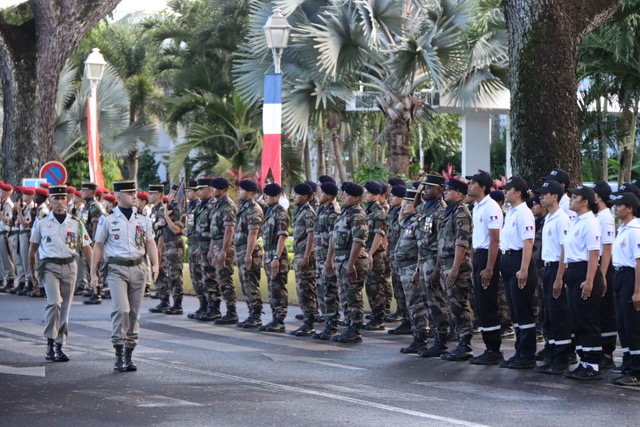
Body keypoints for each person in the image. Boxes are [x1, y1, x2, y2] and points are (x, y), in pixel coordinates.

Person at [91, 180, 159, 372]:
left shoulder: (143, 218)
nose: (134, 196)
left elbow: (150, 242)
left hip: (138, 267)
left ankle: (129, 353)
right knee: (122, 309)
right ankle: (119, 352)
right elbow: (98, 246)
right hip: (116, 268)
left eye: (134, 193)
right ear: (119, 196)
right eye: (130, 194)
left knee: (134, 312)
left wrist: (155, 264)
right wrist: (93, 272)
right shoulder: (108, 219)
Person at [28, 185, 93, 362]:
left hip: (70, 267)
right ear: (49, 201)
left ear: (67, 200)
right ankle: (50, 342)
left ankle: (59, 345)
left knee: (65, 308)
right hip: (49, 267)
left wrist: (94, 273)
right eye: (55, 198)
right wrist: (32, 275)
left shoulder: (76, 223)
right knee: (54, 303)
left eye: (62, 198)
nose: (59, 202)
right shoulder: (42, 223)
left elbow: (86, 248)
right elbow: (32, 249)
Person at [562, 185, 605, 380]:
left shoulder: (590, 222)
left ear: (585, 201)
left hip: (585, 272)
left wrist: (589, 281)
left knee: (587, 318)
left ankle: (593, 364)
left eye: (575, 196)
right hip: (574, 271)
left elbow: (593, 253)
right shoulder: (577, 221)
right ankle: (584, 361)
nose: (571, 199)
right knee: (577, 318)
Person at [498, 176, 538, 369]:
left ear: (518, 192)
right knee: (514, 310)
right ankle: (519, 350)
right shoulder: (511, 212)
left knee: (523, 310)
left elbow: (528, 242)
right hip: (508, 259)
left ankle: (527, 354)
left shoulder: (524, 213)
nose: (504, 192)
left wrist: (523, 269)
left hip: (519, 260)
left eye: (508, 189)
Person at [465, 170, 505, 365]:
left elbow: (495, 240)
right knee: (480, 304)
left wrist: (489, 268)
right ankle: (489, 348)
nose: (469, 186)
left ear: (482, 187)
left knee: (488, 303)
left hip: (489, 256)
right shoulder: (478, 206)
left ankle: (494, 350)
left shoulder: (491, 207)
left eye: (473, 183)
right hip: (479, 255)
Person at [534, 181, 572, 375]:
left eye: (544, 194)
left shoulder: (562, 219)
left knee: (559, 315)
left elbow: (565, 249)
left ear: (555, 196)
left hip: (558, 268)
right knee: (549, 314)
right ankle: (552, 354)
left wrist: (559, 277)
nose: (540, 197)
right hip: (547, 268)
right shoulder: (550, 217)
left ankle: (561, 358)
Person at [434, 177, 474, 362]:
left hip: (456, 266)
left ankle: (464, 344)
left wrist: (456, 268)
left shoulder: (460, 213)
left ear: (459, 193)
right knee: (451, 305)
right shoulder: (448, 212)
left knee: (458, 305)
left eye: (449, 189)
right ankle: (459, 341)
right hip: (446, 264)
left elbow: (461, 243)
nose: (445, 191)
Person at [326, 182, 370, 343]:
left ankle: (355, 329)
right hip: (341, 259)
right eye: (343, 194)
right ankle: (349, 325)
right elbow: (334, 237)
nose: (344, 196)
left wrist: (351, 263)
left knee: (353, 296)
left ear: (356, 198)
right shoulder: (345, 213)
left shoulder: (357, 215)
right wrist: (331, 259)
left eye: (347, 194)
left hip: (352, 260)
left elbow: (358, 241)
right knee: (344, 295)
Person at [415, 175, 449, 358]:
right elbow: (415, 206)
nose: (426, 190)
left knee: (436, 303)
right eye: (425, 187)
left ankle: (441, 340)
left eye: (429, 187)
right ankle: (436, 338)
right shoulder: (426, 208)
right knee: (428, 302)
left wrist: (437, 270)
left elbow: (442, 243)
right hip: (424, 261)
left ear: (440, 190)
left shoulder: (440, 211)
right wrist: (419, 191)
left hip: (434, 262)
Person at [610, 192, 640, 386]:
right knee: (622, 323)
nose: (615, 208)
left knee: (633, 325)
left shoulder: (636, 229)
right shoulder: (623, 228)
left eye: (619, 205)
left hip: (631, 276)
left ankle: (637, 370)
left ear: (629, 208)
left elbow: (639, 262)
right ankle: (628, 364)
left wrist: (637, 290)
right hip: (619, 275)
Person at [395, 189, 430, 354]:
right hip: (404, 268)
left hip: (411, 268)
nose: (404, 205)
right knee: (411, 304)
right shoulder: (408, 220)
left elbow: (421, 248)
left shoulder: (419, 221)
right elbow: (400, 221)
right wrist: (403, 209)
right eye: (404, 202)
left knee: (416, 304)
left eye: (408, 203)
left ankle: (421, 338)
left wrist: (417, 269)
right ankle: (418, 335)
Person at [592, 180, 617, 370]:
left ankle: (607, 353)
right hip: (598, 265)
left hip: (604, 266)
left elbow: (607, 249)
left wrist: (601, 275)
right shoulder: (598, 216)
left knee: (606, 311)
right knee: (599, 311)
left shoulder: (605, 217)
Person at [312, 181, 342, 340]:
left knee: (329, 292)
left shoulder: (333, 213)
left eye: (321, 192)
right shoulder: (322, 210)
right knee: (322, 291)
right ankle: (327, 324)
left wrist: (329, 259)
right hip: (320, 256)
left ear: (329, 195)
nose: (318, 194)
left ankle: (332, 326)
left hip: (327, 257)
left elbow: (333, 238)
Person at [260, 182, 290, 333]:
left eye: (270, 195)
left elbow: (282, 237)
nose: (267, 198)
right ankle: (274, 318)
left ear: (277, 196)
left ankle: (280, 320)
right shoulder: (269, 211)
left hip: (276, 255)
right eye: (266, 195)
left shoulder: (281, 213)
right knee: (272, 289)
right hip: (269, 253)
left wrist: (276, 258)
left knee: (278, 288)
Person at [289, 183, 318, 336]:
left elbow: (311, 236)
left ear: (305, 196)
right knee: (301, 290)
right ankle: (307, 320)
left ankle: (310, 322)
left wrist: (307, 256)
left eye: (297, 194)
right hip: (299, 254)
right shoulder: (300, 211)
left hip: (305, 256)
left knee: (306, 290)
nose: (294, 197)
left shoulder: (308, 213)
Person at [207, 177, 238, 324]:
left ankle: (231, 312)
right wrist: (212, 248)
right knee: (220, 279)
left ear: (223, 190)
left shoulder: (227, 206)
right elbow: (214, 230)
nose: (212, 190)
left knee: (225, 279)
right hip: (217, 245)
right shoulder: (217, 205)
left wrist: (224, 251)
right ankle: (222, 310)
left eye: (215, 188)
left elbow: (229, 230)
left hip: (225, 247)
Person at [234, 179, 264, 328]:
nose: (239, 192)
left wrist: (248, 254)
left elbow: (253, 233)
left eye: (242, 190)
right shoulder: (244, 207)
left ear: (250, 193)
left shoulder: (253, 209)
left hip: (249, 251)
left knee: (251, 284)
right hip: (241, 250)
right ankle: (251, 312)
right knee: (245, 284)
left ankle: (256, 315)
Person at [362, 181, 390, 331]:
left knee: (376, 287)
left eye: (368, 193)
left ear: (376, 195)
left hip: (376, 254)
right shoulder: (367, 210)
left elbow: (379, 235)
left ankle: (379, 318)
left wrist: (371, 254)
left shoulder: (379, 212)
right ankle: (375, 314)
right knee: (370, 286)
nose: (365, 195)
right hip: (368, 252)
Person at [192, 178, 221, 322]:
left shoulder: (212, 206)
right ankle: (205, 306)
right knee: (202, 278)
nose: (198, 191)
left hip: (209, 246)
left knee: (210, 278)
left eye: (201, 189)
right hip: (201, 245)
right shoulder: (200, 206)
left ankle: (214, 308)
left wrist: (211, 249)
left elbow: (214, 231)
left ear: (210, 189)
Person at [386, 184, 411, 335]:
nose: (391, 198)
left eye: (394, 196)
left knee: (406, 292)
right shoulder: (394, 212)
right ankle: (404, 318)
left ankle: (409, 321)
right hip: (395, 255)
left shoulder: (408, 215)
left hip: (405, 258)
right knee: (398, 289)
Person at [158, 190, 185, 315]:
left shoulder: (177, 211)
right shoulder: (167, 208)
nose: (169, 196)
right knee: (170, 276)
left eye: (172, 193)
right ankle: (171, 302)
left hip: (175, 246)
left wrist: (167, 218)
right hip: (167, 245)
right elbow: (160, 230)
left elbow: (176, 230)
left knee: (175, 276)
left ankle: (177, 304)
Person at [80, 182, 107, 304]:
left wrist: (94, 243)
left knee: (94, 266)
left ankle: (97, 293)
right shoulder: (88, 205)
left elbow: (96, 225)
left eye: (84, 190)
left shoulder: (94, 206)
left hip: (92, 240)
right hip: (87, 239)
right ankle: (93, 288)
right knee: (88, 265)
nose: (81, 192)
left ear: (91, 191)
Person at [183, 181, 206, 319]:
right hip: (192, 244)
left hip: (198, 245)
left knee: (201, 277)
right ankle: (202, 306)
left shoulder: (199, 206)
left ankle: (207, 306)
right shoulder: (190, 206)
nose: (187, 194)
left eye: (189, 191)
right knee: (195, 278)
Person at [0, 183, 16, 292]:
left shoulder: (8, 205)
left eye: (1, 191)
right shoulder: (3, 204)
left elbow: (8, 220)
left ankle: (10, 279)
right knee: (2, 258)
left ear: (6, 192)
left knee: (7, 258)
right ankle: (3, 277)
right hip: (1, 232)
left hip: (5, 233)